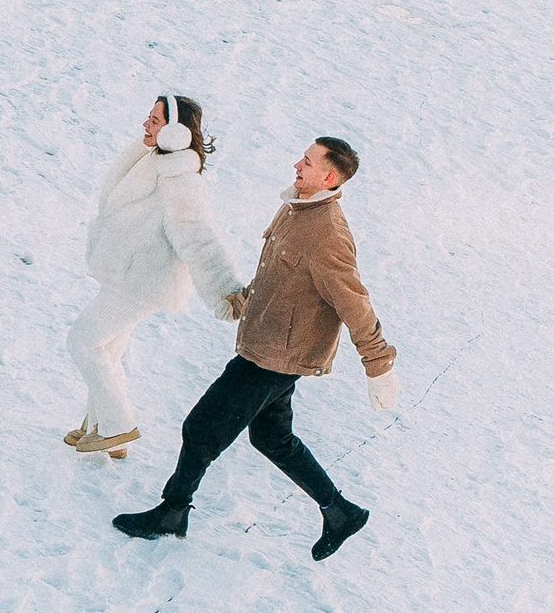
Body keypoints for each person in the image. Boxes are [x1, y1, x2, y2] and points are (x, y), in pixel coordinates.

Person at [113, 135, 397, 559]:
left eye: (307, 161)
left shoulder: (327, 232)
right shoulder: (296, 209)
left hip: (275, 357)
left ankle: (172, 512)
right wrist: (243, 298)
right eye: (301, 157)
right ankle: (340, 512)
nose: (297, 165)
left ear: (329, 176)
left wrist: (379, 366)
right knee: (272, 436)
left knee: (200, 428)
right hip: (268, 345)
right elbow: (282, 278)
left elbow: (353, 301)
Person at [62, 95, 247, 457]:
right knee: (108, 348)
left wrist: (224, 289)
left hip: (142, 279)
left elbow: (196, 232)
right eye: (148, 117)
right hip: (126, 271)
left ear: (177, 132)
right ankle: (101, 426)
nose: (146, 125)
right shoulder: (155, 160)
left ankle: (118, 426)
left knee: (83, 341)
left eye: (155, 120)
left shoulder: (179, 177)